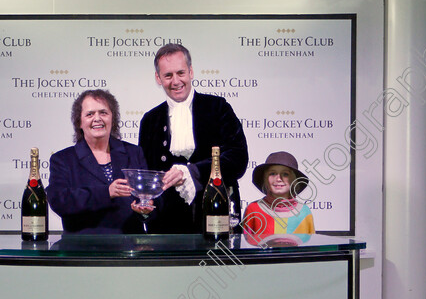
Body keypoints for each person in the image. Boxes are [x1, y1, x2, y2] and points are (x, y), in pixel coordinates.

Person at [139, 43, 248, 233]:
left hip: (217, 217)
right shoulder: (150, 120)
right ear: (158, 78)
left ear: (191, 72)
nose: (175, 81)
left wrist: (194, 171)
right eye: (168, 75)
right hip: (168, 225)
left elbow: (238, 159)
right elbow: (147, 173)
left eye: (180, 73)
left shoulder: (218, 107)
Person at [47, 89, 154, 234]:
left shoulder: (134, 152)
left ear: (112, 118)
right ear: (79, 122)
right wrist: (107, 192)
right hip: (84, 250)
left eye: (103, 113)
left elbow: (149, 198)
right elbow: (59, 201)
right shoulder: (63, 160)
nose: (97, 118)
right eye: (90, 114)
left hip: (130, 248)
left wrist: (144, 210)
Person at [242, 151, 315, 238]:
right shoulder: (253, 209)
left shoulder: (304, 212)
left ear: (294, 180)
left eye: (285, 174)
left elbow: (310, 247)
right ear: (265, 178)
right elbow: (245, 245)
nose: (279, 179)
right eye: (272, 173)